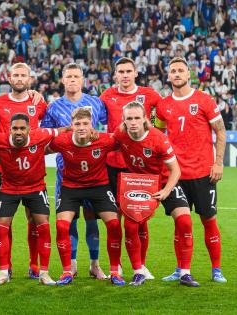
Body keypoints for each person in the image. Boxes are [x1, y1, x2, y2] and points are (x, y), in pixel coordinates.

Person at [155, 57, 228, 284]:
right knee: (182, 222)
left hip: (203, 173)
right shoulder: (163, 106)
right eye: (172, 71)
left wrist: (218, 163)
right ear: (168, 77)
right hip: (176, 175)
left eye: (180, 71)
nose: (176, 74)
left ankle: (216, 269)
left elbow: (221, 131)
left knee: (209, 221)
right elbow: (158, 136)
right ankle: (181, 269)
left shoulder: (204, 100)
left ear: (188, 75)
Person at [41, 62, 108, 279]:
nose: (72, 80)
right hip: (65, 174)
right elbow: (45, 135)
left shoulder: (96, 103)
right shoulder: (53, 107)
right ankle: (71, 264)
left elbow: (110, 125)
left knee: (91, 218)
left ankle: (95, 264)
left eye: (76, 76)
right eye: (68, 76)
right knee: (68, 220)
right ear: (62, 80)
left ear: (83, 80)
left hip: (93, 174)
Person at [115, 102, 194, 286]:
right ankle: (138, 271)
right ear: (124, 120)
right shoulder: (121, 134)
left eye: (136, 118)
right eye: (129, 118)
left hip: (166, 182)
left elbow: (176, 170)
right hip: (139, 185)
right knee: (131, 226)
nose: (133, 122)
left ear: (144, 119)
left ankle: (185, 273)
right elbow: (106, 144)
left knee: (185, 221)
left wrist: (166, 191)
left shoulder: (158, 138)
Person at [99, 57, 162, 279]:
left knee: (139, 219)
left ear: (136, 73)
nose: (125, 75)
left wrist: (154, 132)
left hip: (138, 169)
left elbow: (163, 118)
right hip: (112, 166)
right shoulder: (106, 96)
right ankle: (115, 267)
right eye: (120, 72)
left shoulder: (150, 95)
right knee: (114, 220)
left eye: (128, 71)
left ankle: (141, 265)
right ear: (115, 75)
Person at [48, 108, 124, 286]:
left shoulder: (105, 140)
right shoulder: (62, 141)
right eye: (77, 124)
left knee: (113, 224)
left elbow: (126, 141)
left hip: (98, 186)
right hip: (71, 187)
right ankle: (67, 271)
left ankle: (114, 271)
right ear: (71, 126)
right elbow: (40, 148)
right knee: (61, 225)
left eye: (85, 124)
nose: (81, 127)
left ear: (93, 126)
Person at [0, 62, 47, 279]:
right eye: (16, 75)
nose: (19, 79)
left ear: (30, 79)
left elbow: (45, 133)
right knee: (5, 220)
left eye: (23, 75)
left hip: (32, 170)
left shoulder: (38, 102)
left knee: (34, 219)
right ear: (9, 78)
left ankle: (34, 265)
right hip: (6, 170)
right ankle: (7, 267)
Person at [0, 113, 57, 286]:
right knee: (1, 227)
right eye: (15, 128)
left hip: (36, 187)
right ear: (9, 130)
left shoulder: (40, 135)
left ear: (29, 129)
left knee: (44, 227)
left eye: (22, 128)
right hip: (9, 188)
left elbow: (60, 131)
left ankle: (43, 272)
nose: (18, 132)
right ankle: (3, 272)